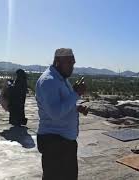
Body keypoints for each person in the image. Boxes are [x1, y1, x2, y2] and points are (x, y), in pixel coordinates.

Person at [36, 48, 88, 180]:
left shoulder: (61, 79)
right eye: (69, 63)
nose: (72, 67)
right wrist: (76, 94)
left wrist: (76, 108)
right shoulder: (49, 81)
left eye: (73, 63)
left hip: (64, 141)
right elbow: (55, 113)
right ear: (57, 62)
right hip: (54, 142)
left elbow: (62, 103)